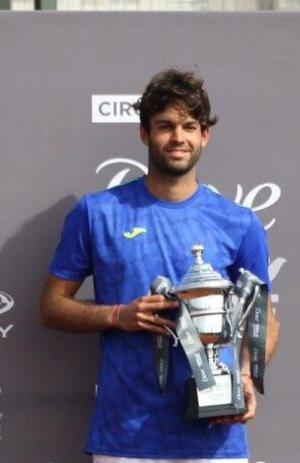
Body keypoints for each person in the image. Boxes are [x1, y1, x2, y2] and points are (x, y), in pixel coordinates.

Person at [40, 68, 279, 463]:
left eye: (189, 125)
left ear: (205, 135)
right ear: (144, 134)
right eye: (165, 125)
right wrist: (119, 315)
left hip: (215, 438)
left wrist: (246, 377)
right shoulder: (98, 212)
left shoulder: (240, 222)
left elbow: (264, 317)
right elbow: (51, 307)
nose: (178, 137)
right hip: (126, 437)